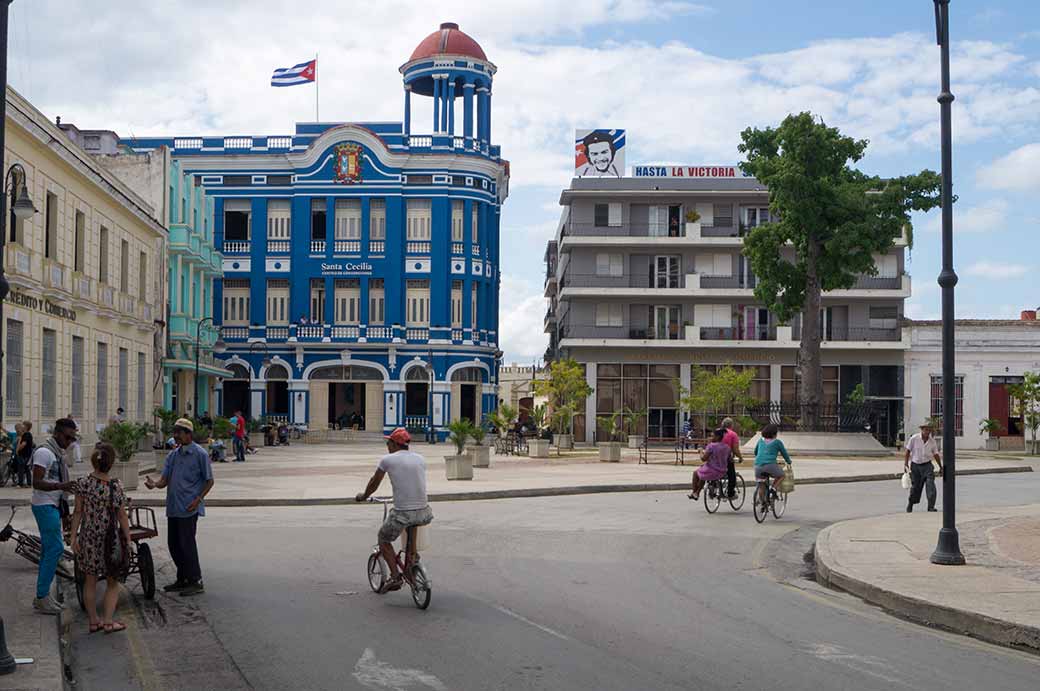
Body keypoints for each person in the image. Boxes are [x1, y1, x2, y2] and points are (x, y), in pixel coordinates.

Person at [355, 428, 433, 593]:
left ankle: (396, 577)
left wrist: (363, 496)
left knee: (383, 539)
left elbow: (373, 483)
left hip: (403, 512)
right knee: (412, 530)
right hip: (424, 511)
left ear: (394, 444)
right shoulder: (420, 459)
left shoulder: (387, 460)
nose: (387, 446)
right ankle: (411, 564)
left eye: (388, 442)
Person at [144, 418, 214, 596]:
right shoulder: (172, 456)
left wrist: (198, 499)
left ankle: (195, 580)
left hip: (189, 508)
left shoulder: (200, 454)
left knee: (187, 544)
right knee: (174, 544)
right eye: (174, 432)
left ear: (188, 434)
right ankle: (182, 578)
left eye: (179, 432)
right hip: (174, 507)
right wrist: (154, 485)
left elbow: (209, 481)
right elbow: (164, 481)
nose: (175, 436)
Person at [70, 442, 132, 634]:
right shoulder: (116, 486)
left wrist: (73, 537)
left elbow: (78, 512)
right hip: (110, 540)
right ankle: (107, 622)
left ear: (93, 461)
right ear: (111, 463)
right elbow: (122, 515)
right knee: (112, 583)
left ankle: (93, 621)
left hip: (88, 537)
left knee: (90, 580)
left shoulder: (83, 483)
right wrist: (128, 539)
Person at [30, 418, 78, 614]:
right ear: (57, 433)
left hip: (52, 505)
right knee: (56, 549)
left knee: (48, 550)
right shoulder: (44, 452)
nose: (70, 442)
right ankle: (41, 597)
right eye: (68, 437)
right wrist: (61, 486)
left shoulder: (58, 453)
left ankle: (42, 596)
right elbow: (36, 482)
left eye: (73, 438)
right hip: (44, 505)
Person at [905, 422, 943, 513]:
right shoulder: (914, 438)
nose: (927, 432)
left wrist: (941, 467)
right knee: (915, 488)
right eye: (925, 429)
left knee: (931, 486)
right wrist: (905, 464)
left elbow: (936, 454)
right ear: (921, 430)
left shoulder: (932, 441)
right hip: (915, 466)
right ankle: (910, 503)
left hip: (927, 466)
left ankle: (931, 506)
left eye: (929, 430)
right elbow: (907, 452)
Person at [752, 424, 792, 505]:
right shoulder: (777, 442)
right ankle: (773, 488)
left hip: (757, 466)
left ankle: (762, 502)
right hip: (770, 465)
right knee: (781, 475)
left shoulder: (760, 440)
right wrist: (789, 462)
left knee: (761, 484)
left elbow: (755, 452)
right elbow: (784, 454)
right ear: (774, 434)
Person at [688, 429, 731, 500]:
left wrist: (701, 451)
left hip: (712, 471)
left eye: (712, 436)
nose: (710, 438)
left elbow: (703, 459)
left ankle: (695, 492)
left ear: (717, 437)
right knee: (702, 471)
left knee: (696, 473)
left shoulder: (711, 446)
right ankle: (696, 493)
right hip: (722, 471)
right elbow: (730, 458)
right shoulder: (727, 447)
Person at [720, 417, 745, 499]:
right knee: (732, 476)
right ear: (731, 425)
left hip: (714, 457)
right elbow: (735, 449)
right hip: (726, 458)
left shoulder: (717, 432)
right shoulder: (733, 434)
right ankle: (730, 493)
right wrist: (740, 457)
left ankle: (714, 488)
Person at [15, 421, 35, 488]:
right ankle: (28, 483)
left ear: (26, 427)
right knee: (26, 469)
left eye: (23, 425)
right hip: (26, 454)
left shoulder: (27, 434)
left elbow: (23, 444)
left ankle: (20, 484)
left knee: (21, 469)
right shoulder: (26, 434)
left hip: (24, 455)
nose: (22, 426)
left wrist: (17, 450)